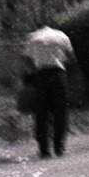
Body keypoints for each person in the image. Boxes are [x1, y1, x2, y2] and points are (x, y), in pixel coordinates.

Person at [23, 25, 75, 159]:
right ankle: (59, 146)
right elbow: (71, 58)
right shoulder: (61, 36)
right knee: (60, 111)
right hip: (58, 74)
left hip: (41, 75)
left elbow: (27, 60)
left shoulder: (33, 37)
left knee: (41, 113)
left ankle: (44, 149)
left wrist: (32, 72)